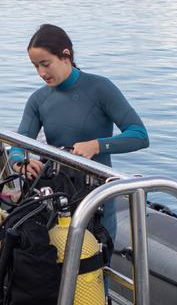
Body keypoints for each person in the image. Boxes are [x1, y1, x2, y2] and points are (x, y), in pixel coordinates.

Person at [15, 23, 149, 242]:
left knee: (94, 266)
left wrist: (96, 145)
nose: (41, 73)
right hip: (55, 195)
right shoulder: (38, 100)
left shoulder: (100, 88)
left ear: (65, 55)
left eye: (46, 64)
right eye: (35, 66)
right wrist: (20, 162)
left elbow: (139, 135)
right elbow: (19, 144)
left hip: (97, 198)